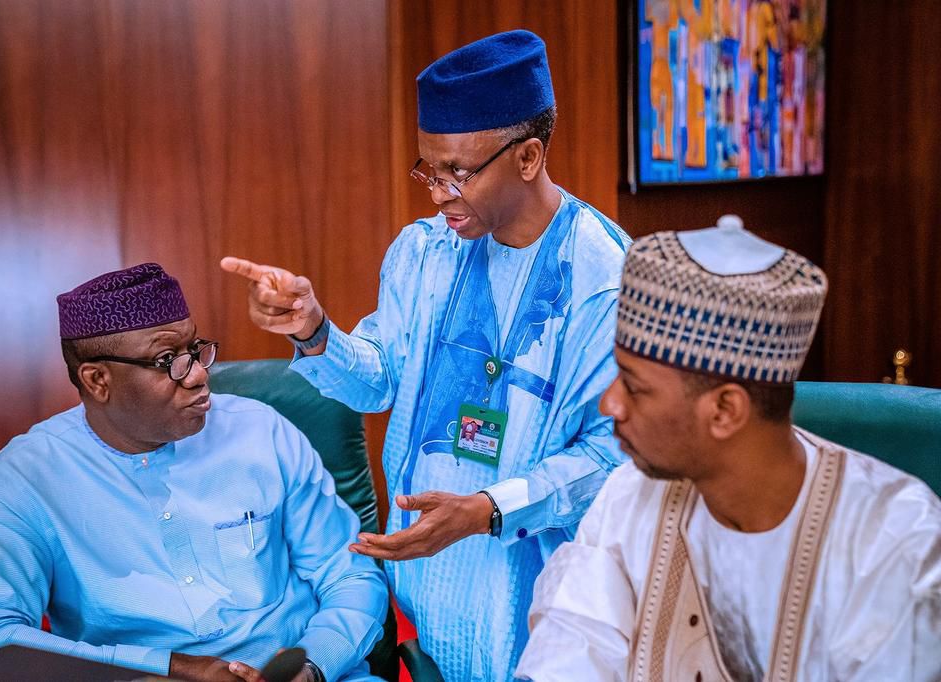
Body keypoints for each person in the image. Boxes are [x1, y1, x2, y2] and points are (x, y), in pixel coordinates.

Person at [221, 29, 629, 681]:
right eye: (429, 170)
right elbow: (380, 380)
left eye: (458, 172)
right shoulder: (424, 252)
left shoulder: (604, 279)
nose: (437, 193)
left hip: (537, 609)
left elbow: (615, 459)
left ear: (528, 157)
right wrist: (315, 332)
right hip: (426, 596)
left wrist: (488, 510)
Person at [516, 217, 941, 681]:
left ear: (725, 410)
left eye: (635, 387)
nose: (609, 404)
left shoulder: (893, 542)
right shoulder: (630, 495)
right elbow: (571, 646)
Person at [0, 263, 388, 682]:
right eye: (168, 359)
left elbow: (350, 575)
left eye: (195, 350)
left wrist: (313, 666)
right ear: (97, 380)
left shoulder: (261, 431)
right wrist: (170, 669)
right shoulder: (27, 477)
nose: (197, 376)